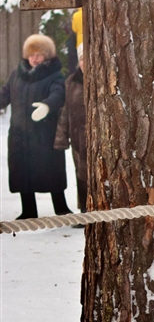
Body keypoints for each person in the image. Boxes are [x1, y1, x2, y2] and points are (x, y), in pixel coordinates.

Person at [0, 34, 71, 219]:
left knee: (51, 171)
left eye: (39, 54)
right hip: (19, 134)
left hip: (44, 135)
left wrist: (47, 105)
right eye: (31, 54)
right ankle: (28, 210)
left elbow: (59, 94)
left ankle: (61, 209)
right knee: (23, 172)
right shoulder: (17, 74)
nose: (34, 58)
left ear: (47, 56)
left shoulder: (54, 75)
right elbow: (4, 94)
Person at [54, 45, 87, 221]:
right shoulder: (72, 82)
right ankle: (85, 213)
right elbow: (65, 111)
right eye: (82, 59)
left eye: (87, 58)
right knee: (81, 176)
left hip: (98, 139)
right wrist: (61, 138)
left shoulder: (102, 79)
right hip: (77, 139)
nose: (85, 62)